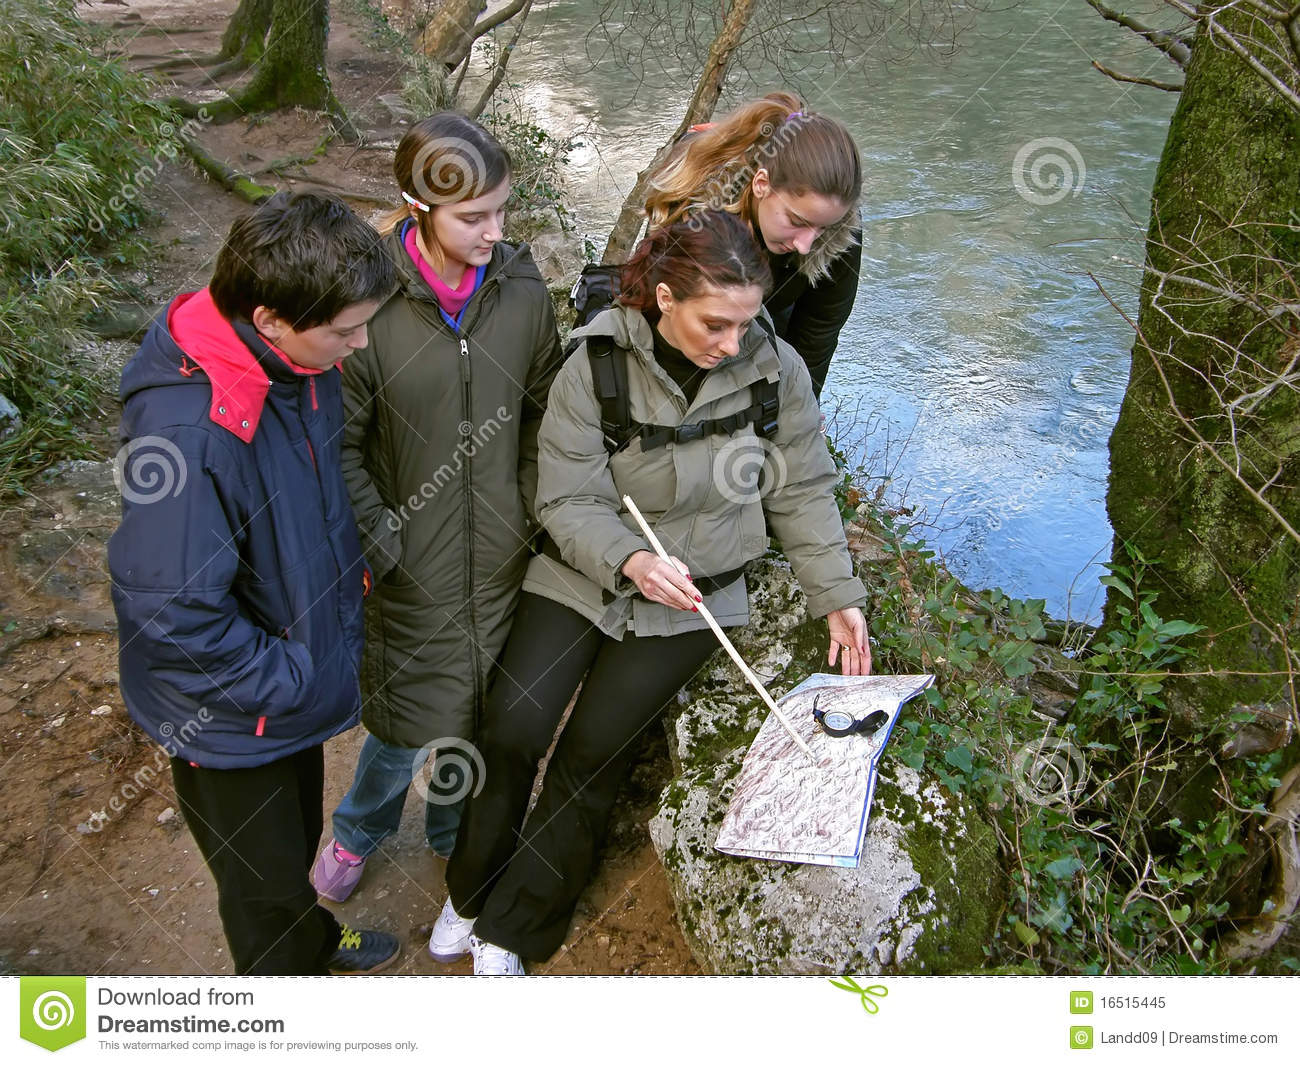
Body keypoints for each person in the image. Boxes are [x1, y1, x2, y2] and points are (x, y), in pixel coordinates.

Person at [428, 211, 872, 974]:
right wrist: (630, 558)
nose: (732, 342)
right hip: (581, 572)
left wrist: (835, 591)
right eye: (715, 324)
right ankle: (469, 891)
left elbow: (802, 489)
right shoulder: (595, 361)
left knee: (592, 754)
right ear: (665, 298)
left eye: (746, 323)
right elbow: (565, 496)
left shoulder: (777, 373)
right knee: (512, 724)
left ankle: (517, 924)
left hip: (695, 593)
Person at [109, 192, 400, 975]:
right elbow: (171, 616)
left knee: (289, 848)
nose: (361, 343)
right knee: (261, 888)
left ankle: (309, 935)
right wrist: (297, 676)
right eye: (346, 330)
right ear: (269, 317)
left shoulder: (293, 364)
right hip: (231, 712)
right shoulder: (189, 433)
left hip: (280, 687)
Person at [309, 112, 564, 903]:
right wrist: (383, 542)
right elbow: (337, 446)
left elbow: (544, 412)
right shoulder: (368, 303)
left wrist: (528, 513)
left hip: (503, 553)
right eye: (474, 217)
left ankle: (454, 832)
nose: (496, 232)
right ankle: (357, 831)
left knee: (479, 711)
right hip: (408, 562)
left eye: (503, 211)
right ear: (420, 207)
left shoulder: (522, 290)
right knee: (404, 719)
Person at [644, 90, 863, 399]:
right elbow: (661, 317)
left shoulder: (838, 232)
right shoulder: (693, 213)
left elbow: (817, 336)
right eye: (797, 221)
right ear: (761, 184)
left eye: (822, 228)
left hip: (775, 315)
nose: (806, 245)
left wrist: (798, 408)